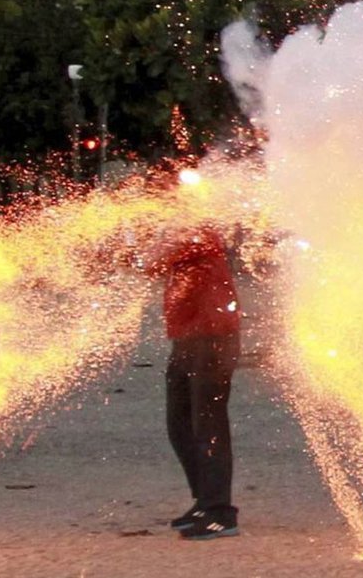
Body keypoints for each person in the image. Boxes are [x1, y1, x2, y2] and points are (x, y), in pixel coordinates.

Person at [147, 224, 243, 540]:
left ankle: (220, 512)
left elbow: (153, 262)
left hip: (213, 336)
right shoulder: (179, 229)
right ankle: (204, 500)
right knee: (180, 423)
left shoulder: (195, 228)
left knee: (208, 423)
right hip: (187, 337)